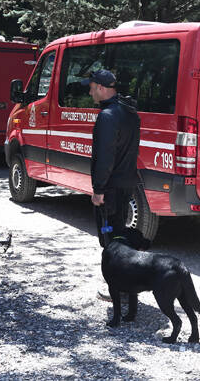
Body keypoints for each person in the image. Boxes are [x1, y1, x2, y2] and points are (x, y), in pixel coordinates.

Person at [83, 69, 140, 300]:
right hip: (126, 185)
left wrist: (98, 190)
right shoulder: (129, 111)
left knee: (110, 241)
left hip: (110, 189)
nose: (89, 91)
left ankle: (121, 289)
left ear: (101, 87)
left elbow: (106, 157)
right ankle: (127, 286)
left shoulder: (107, 116)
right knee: (119, 236)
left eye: (91, 86)